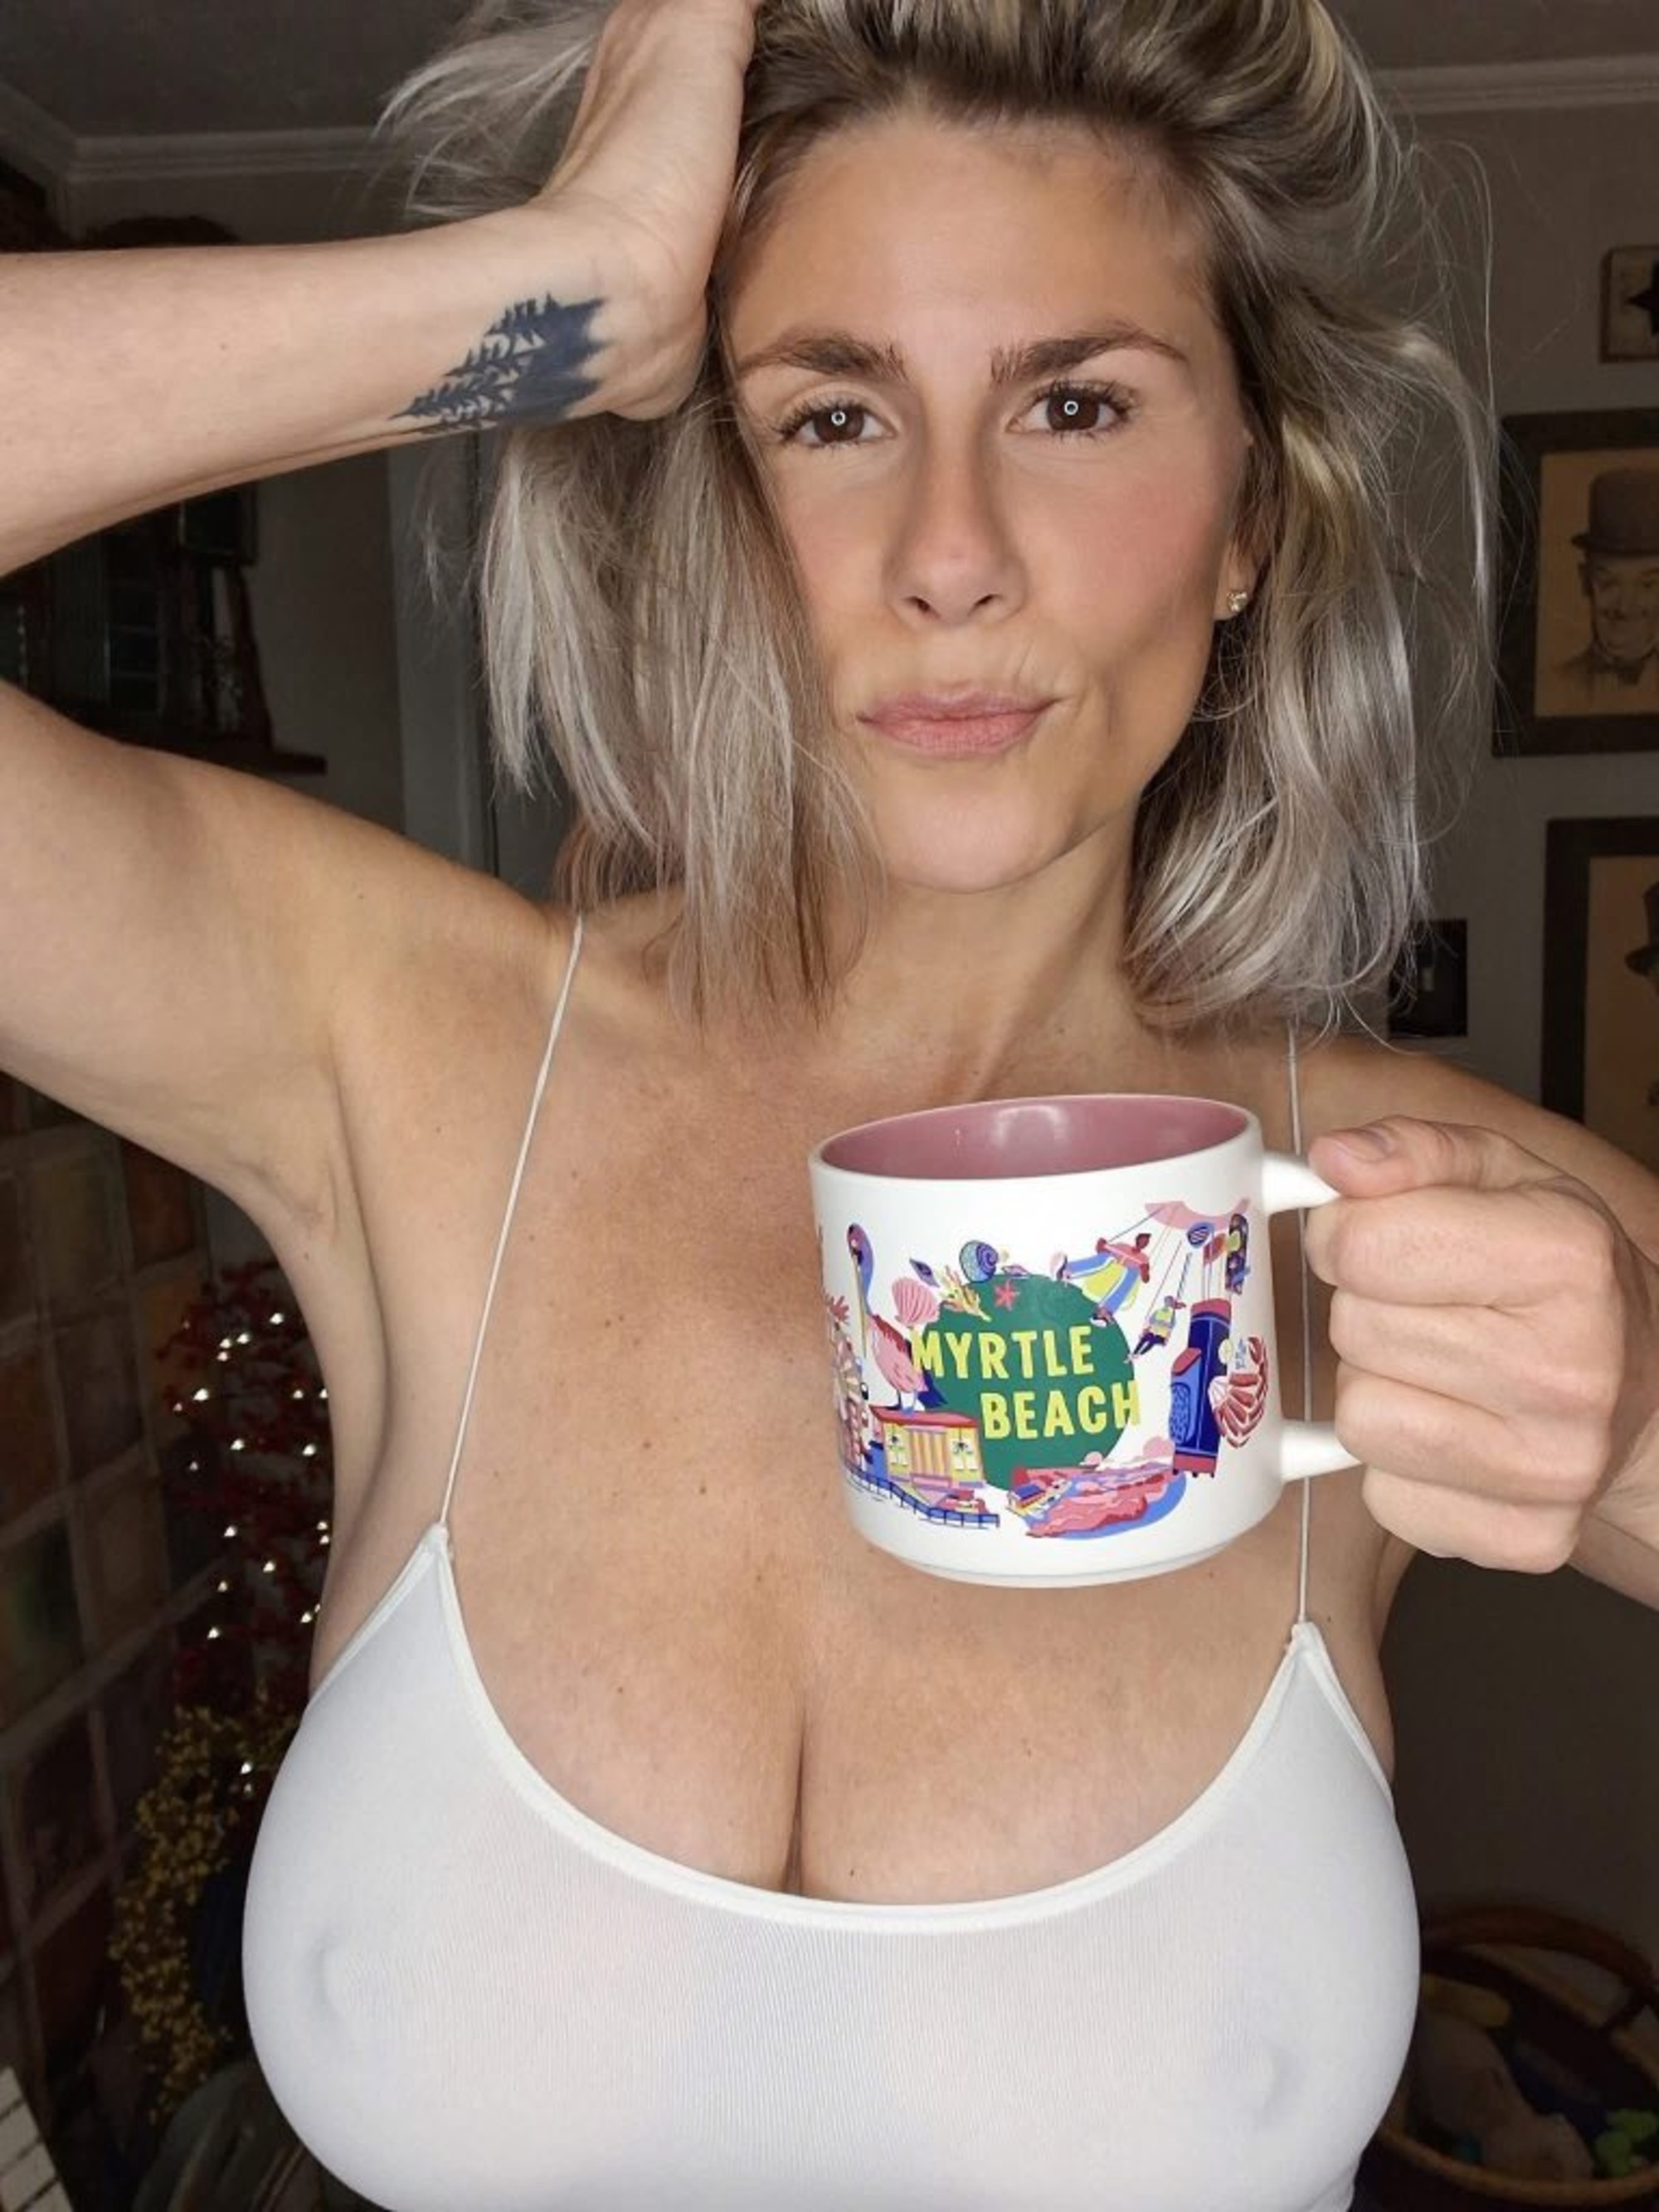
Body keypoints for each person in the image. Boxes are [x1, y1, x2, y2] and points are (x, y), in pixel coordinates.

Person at [2, 1, 1657, 2205]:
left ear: (1251, 516)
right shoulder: (398, 1043)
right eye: (833, 412)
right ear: (712, 492)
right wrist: (558, 290)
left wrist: (1633, 1423)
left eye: (1075, 402)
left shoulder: (1412, 1211)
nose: (949, 552)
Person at [1554, 467, 1659, 708]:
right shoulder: (1555, 686)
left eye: (1648, 584)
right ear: (1584, 581)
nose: (1625, 607)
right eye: (1608, 583)